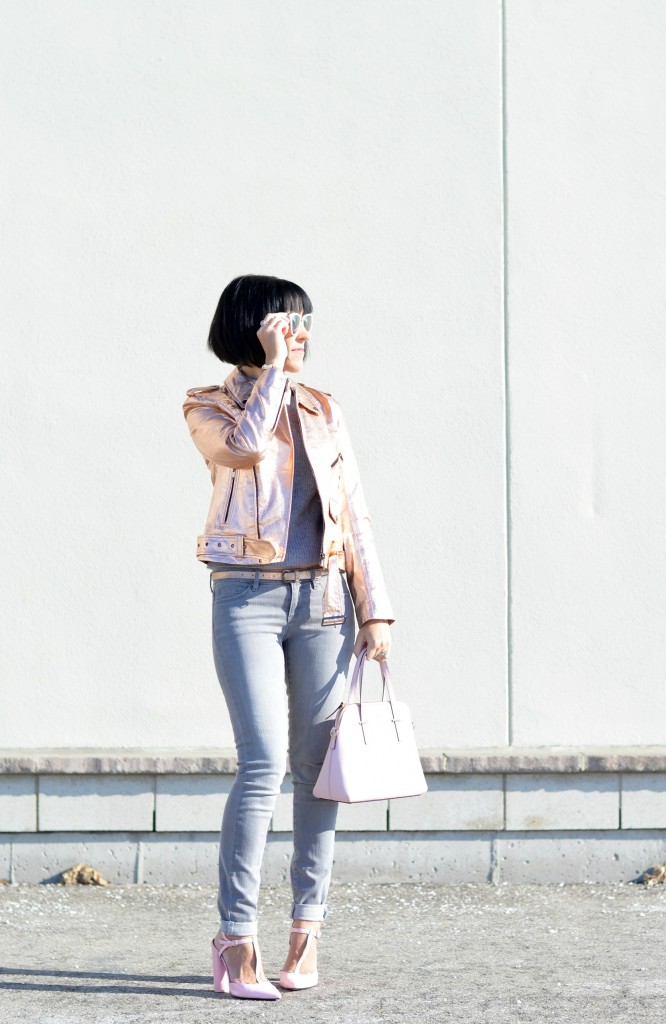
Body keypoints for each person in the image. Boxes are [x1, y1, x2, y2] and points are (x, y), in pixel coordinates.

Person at [182, 274, 394, 1000]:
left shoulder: (324, 409)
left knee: (316, 768)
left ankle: (307, 933)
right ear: (252, 328)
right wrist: (270, 370)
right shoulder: (208, 405)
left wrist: (377, 611)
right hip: (244, 596)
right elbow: (241, 452)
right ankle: (235, 941)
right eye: (287, 324)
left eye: (306, 326)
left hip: (325, 604)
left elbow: (354, 511)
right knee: (261, 763)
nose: (301, 336)